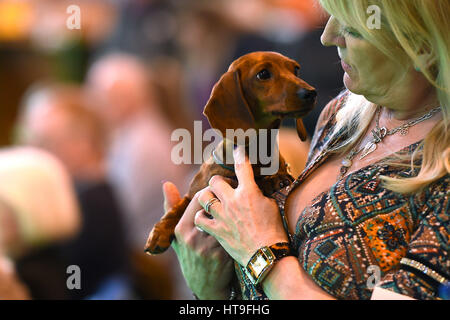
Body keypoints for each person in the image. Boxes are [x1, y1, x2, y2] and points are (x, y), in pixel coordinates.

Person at [161, 0, 449, 300]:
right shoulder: (340, 116)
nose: (327, 36)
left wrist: (263, 252)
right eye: (332, 17)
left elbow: (262, 250)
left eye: (352, 29)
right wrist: (210, 291)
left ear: (423, 46)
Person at [15, 84, 133, 299]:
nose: (34, 153)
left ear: (84, 143)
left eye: (45, 142)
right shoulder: (84, 193)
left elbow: (70, 285)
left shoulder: (90, 201)